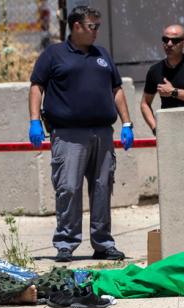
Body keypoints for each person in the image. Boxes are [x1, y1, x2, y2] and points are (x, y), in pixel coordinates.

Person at [28, 6, 134, 263]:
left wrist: (127, 123)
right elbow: (36, 87)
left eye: (98, 26)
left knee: (102, 187)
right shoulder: (53, 54)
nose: (96, 31)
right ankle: (66, 243)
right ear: (76, 26)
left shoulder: (102, 55)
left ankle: (103, 243)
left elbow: (116, 89)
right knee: (68, 188)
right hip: (68, 135)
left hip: (102, 134)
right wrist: (34, 121)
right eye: (92, 26)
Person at [140, 24, 184, 135]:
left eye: (175, 40)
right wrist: (155, 128)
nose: (169, 44)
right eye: (165, 39)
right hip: (169, 131)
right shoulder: (155, 70)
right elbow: (145, 103)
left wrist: (173, 92)